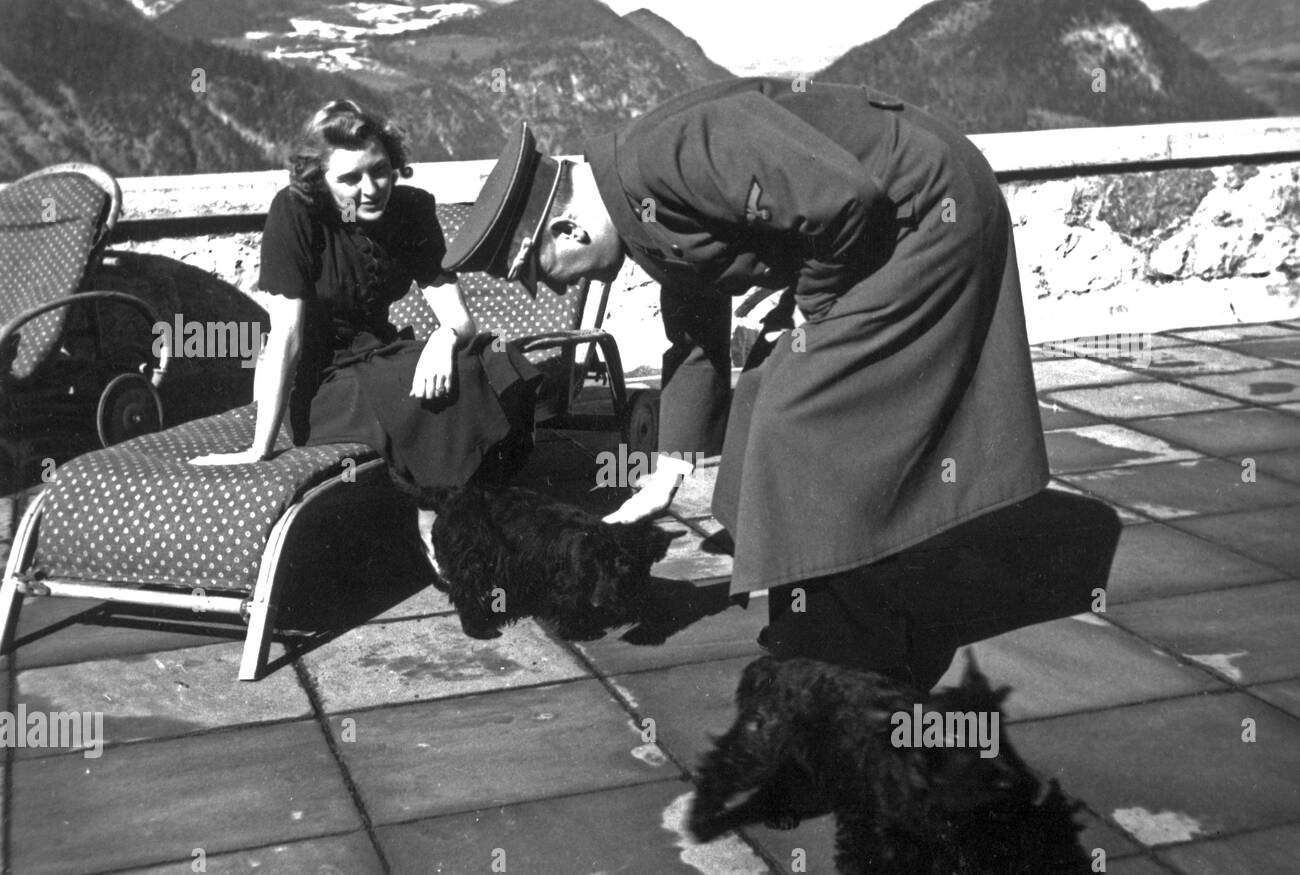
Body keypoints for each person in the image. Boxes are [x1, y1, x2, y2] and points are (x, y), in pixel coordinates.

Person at [444, 78, 1051, 690]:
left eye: (540, 275)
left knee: (805, 417)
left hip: (927, 212)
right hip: (885, 221)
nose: (554, 291)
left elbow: (845, 201)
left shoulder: (667, 157)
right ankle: (814, 610)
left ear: (568, 231)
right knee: (763, 391)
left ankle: (856, 656)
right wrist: (668, 472)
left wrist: (811, 307)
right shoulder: (633, 200)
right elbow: (694, 330)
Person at [192, 100, 540, 574]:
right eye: (350, 178)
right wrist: (259, 447)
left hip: (381, 355)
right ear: (319, 180)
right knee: (433, 386)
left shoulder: (411, 209)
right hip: (322, 385)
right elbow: (287, 338)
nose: (371, 188)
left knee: (495, 361)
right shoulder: (296, 214)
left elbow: (459, 319)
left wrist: (444, 340)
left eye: (380, 170)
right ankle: (438, 521)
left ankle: (456, 510)